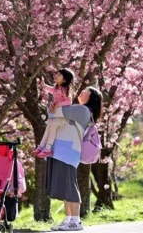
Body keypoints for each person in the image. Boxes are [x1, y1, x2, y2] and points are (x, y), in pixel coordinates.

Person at [45, 86, 103, 231]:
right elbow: (53, 114)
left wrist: (54, 105)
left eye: (86, 92)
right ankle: (68, 219)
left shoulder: (82, 110)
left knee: (70, 185)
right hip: (64, 150)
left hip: (69, 152)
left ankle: (76, 221)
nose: (81, 93)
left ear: (91, 98)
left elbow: (55, 113)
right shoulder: (79, 109)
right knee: (66, 186)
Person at [32, 68, 75, 158]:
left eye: (59, 75)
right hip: (56, 114)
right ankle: (41, 147)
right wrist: (43, 85)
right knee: (48, 128)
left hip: (62, 116)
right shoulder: (56, 88)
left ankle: (48, 148)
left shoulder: (65, 89)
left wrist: (57, 104)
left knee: (52, 127)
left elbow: (69, 101)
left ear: (64, 80)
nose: (56, 75)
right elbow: (50, 89)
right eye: (57, 74)